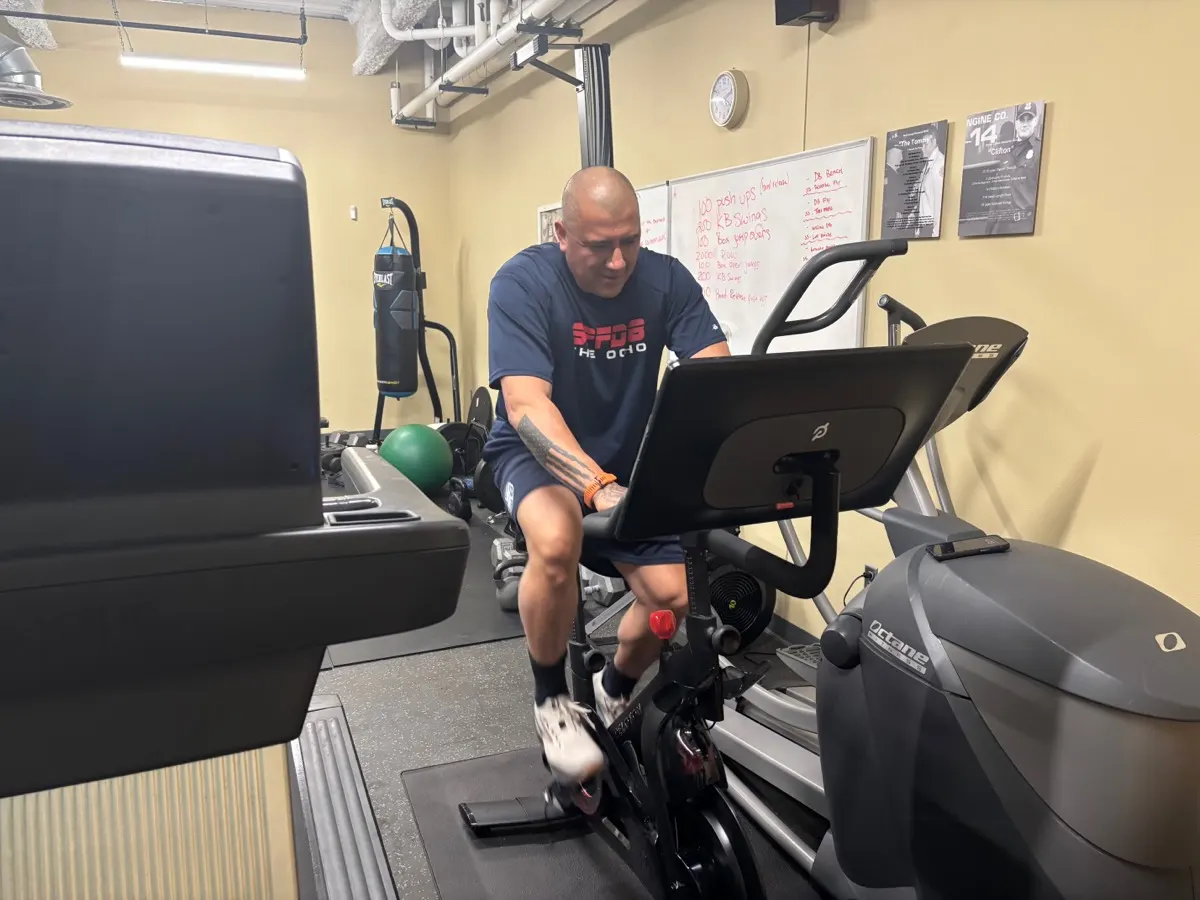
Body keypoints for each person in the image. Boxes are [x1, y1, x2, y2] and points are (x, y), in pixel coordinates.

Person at [482, 166, 730, 784]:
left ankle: (612, 683)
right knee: (559, 536)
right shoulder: (523, 283)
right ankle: (551, 704)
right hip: (535, 455)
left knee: (675, 597)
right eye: (598, 245)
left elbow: (714, 377)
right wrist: (595, 486)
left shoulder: (667, 282)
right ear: (562, 234)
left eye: (631, 240)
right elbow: (525, 406)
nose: (618, 261)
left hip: (627, 467)